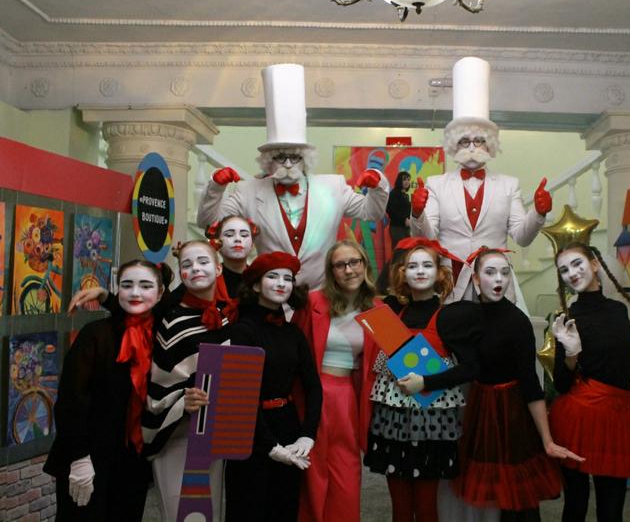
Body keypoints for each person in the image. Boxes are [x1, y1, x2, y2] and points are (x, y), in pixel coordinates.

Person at [197, 64, 389, 290]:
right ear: (268, 161)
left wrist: (378, 185)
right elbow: (208, 222)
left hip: (321, 295)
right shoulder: (248, 191)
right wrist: (215, 187)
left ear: (305, 160)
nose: (288, 164)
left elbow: (371, 212)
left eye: (295, 157)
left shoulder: (333, 187)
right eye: (280, 157)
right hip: (270, 294)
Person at [447, 248, 583, 522]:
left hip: (512, 413)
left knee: (519, 501)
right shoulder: (465, 317)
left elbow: (531, 383)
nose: (499, 279)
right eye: (490, 272)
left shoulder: (517, 322)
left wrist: (547, 440)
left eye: (504, 272)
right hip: (481, 410)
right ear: (476, 280)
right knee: (492, 496)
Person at [410, 57, 552, 312]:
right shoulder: (436, 184)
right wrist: (418, 213)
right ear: (454, 145)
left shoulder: (508, 185)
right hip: (451, 285)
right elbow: (427, 238)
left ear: (490, 144)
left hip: (495, 284)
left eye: (479, 141)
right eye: (465, 141)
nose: (472, 147)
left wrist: (538, 214)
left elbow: (522, 237)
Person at [44, 260, 171, 521]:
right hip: (88, 455)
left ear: (160, 294)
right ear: (118, 289)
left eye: (145, 286)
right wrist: (79, 458)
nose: (135, 293)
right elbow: (71, 401)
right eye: (127, 285)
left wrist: (105, 296)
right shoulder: (95, 334)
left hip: (132, 459)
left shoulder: (161, 335)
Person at [365, 237, 482, 522]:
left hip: (432, 423)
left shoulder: (449, 317)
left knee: (427, 504)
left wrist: (426, 384)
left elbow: (470, 368)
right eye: (413, 266)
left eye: (427, 265)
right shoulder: (392, 310)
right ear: (402, 272)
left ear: (439, 273)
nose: (420, 271)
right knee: (399, 504)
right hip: (392, 420)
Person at [549, 242, 630, 522]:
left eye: (577, 264)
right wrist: (571, 355)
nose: (572, 273)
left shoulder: (618, 310)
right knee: (576, 506)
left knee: (612, 510)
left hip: (616, 417)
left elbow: (621, 373)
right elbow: (561, 384)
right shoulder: (567, 319)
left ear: (595, 264)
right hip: (579, 417)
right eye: (564, 270)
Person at [141, 240, 238, 522]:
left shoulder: (226, 317)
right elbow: (158, 384)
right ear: (181, 274)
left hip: (214, 433)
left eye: (203, 262)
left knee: (209, 511)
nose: (195, 268)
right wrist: (183, 400)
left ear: (218, 268)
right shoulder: (172, 321)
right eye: (187, 264)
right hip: (177, 434)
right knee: (180, 513)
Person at [224, 251, 323, 521]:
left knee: (284, 507)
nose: (281, 283)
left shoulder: (293, 332)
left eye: (287, 279)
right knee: (249, 507)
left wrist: (307, 435)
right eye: (272, 277)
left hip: (288, 427)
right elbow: (239, 396)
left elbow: (313, 386)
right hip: (249, 433)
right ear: (256, 285)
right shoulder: (242, 330)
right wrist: (270, 446)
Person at [291, 240, 381, 522]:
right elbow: (291, 347)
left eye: (354, 262)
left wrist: (434, 377)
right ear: (331, 272)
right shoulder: (314, 302)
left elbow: (399, 357)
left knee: (347, 472)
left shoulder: (378, 309)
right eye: (340, 265)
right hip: (313, 394)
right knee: (312, 469)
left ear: (365, 265)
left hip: (348, 397)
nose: (349, 270)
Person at [387, 171, 412, 249]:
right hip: (397, 228)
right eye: (404, 179)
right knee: (399, 251)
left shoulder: (406, 195)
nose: (407, 182)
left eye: (408, 179)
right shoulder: (394, 193)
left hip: (406, 228)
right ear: (399, 181)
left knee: (406, 251)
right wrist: (404, 219)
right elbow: (390, 210)